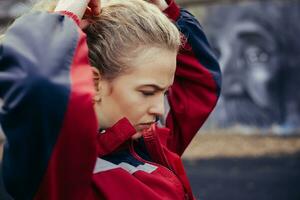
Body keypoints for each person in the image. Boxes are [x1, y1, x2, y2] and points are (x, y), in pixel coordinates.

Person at [0, 0, 221, 199]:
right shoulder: (56, 165)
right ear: (94, 82)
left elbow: (201, 85)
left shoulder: (148, 143)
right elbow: (38, 81)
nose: (160, 110)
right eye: (147, 91)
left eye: (163, 93)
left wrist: (167, 10)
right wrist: (66, 14)